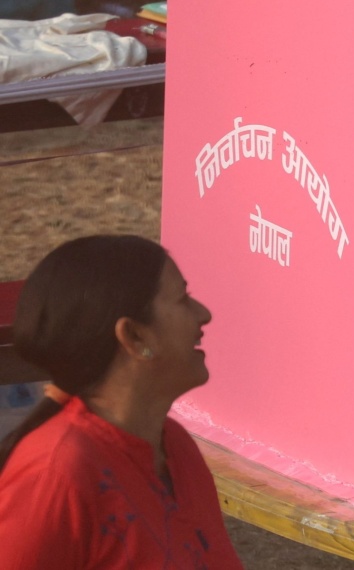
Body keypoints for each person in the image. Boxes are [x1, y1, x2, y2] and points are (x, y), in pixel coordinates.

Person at [0, 235, 244, 568]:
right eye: (183, 299)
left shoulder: (175, 446)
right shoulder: (57, 473)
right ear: (134, 337)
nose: (204, 314)